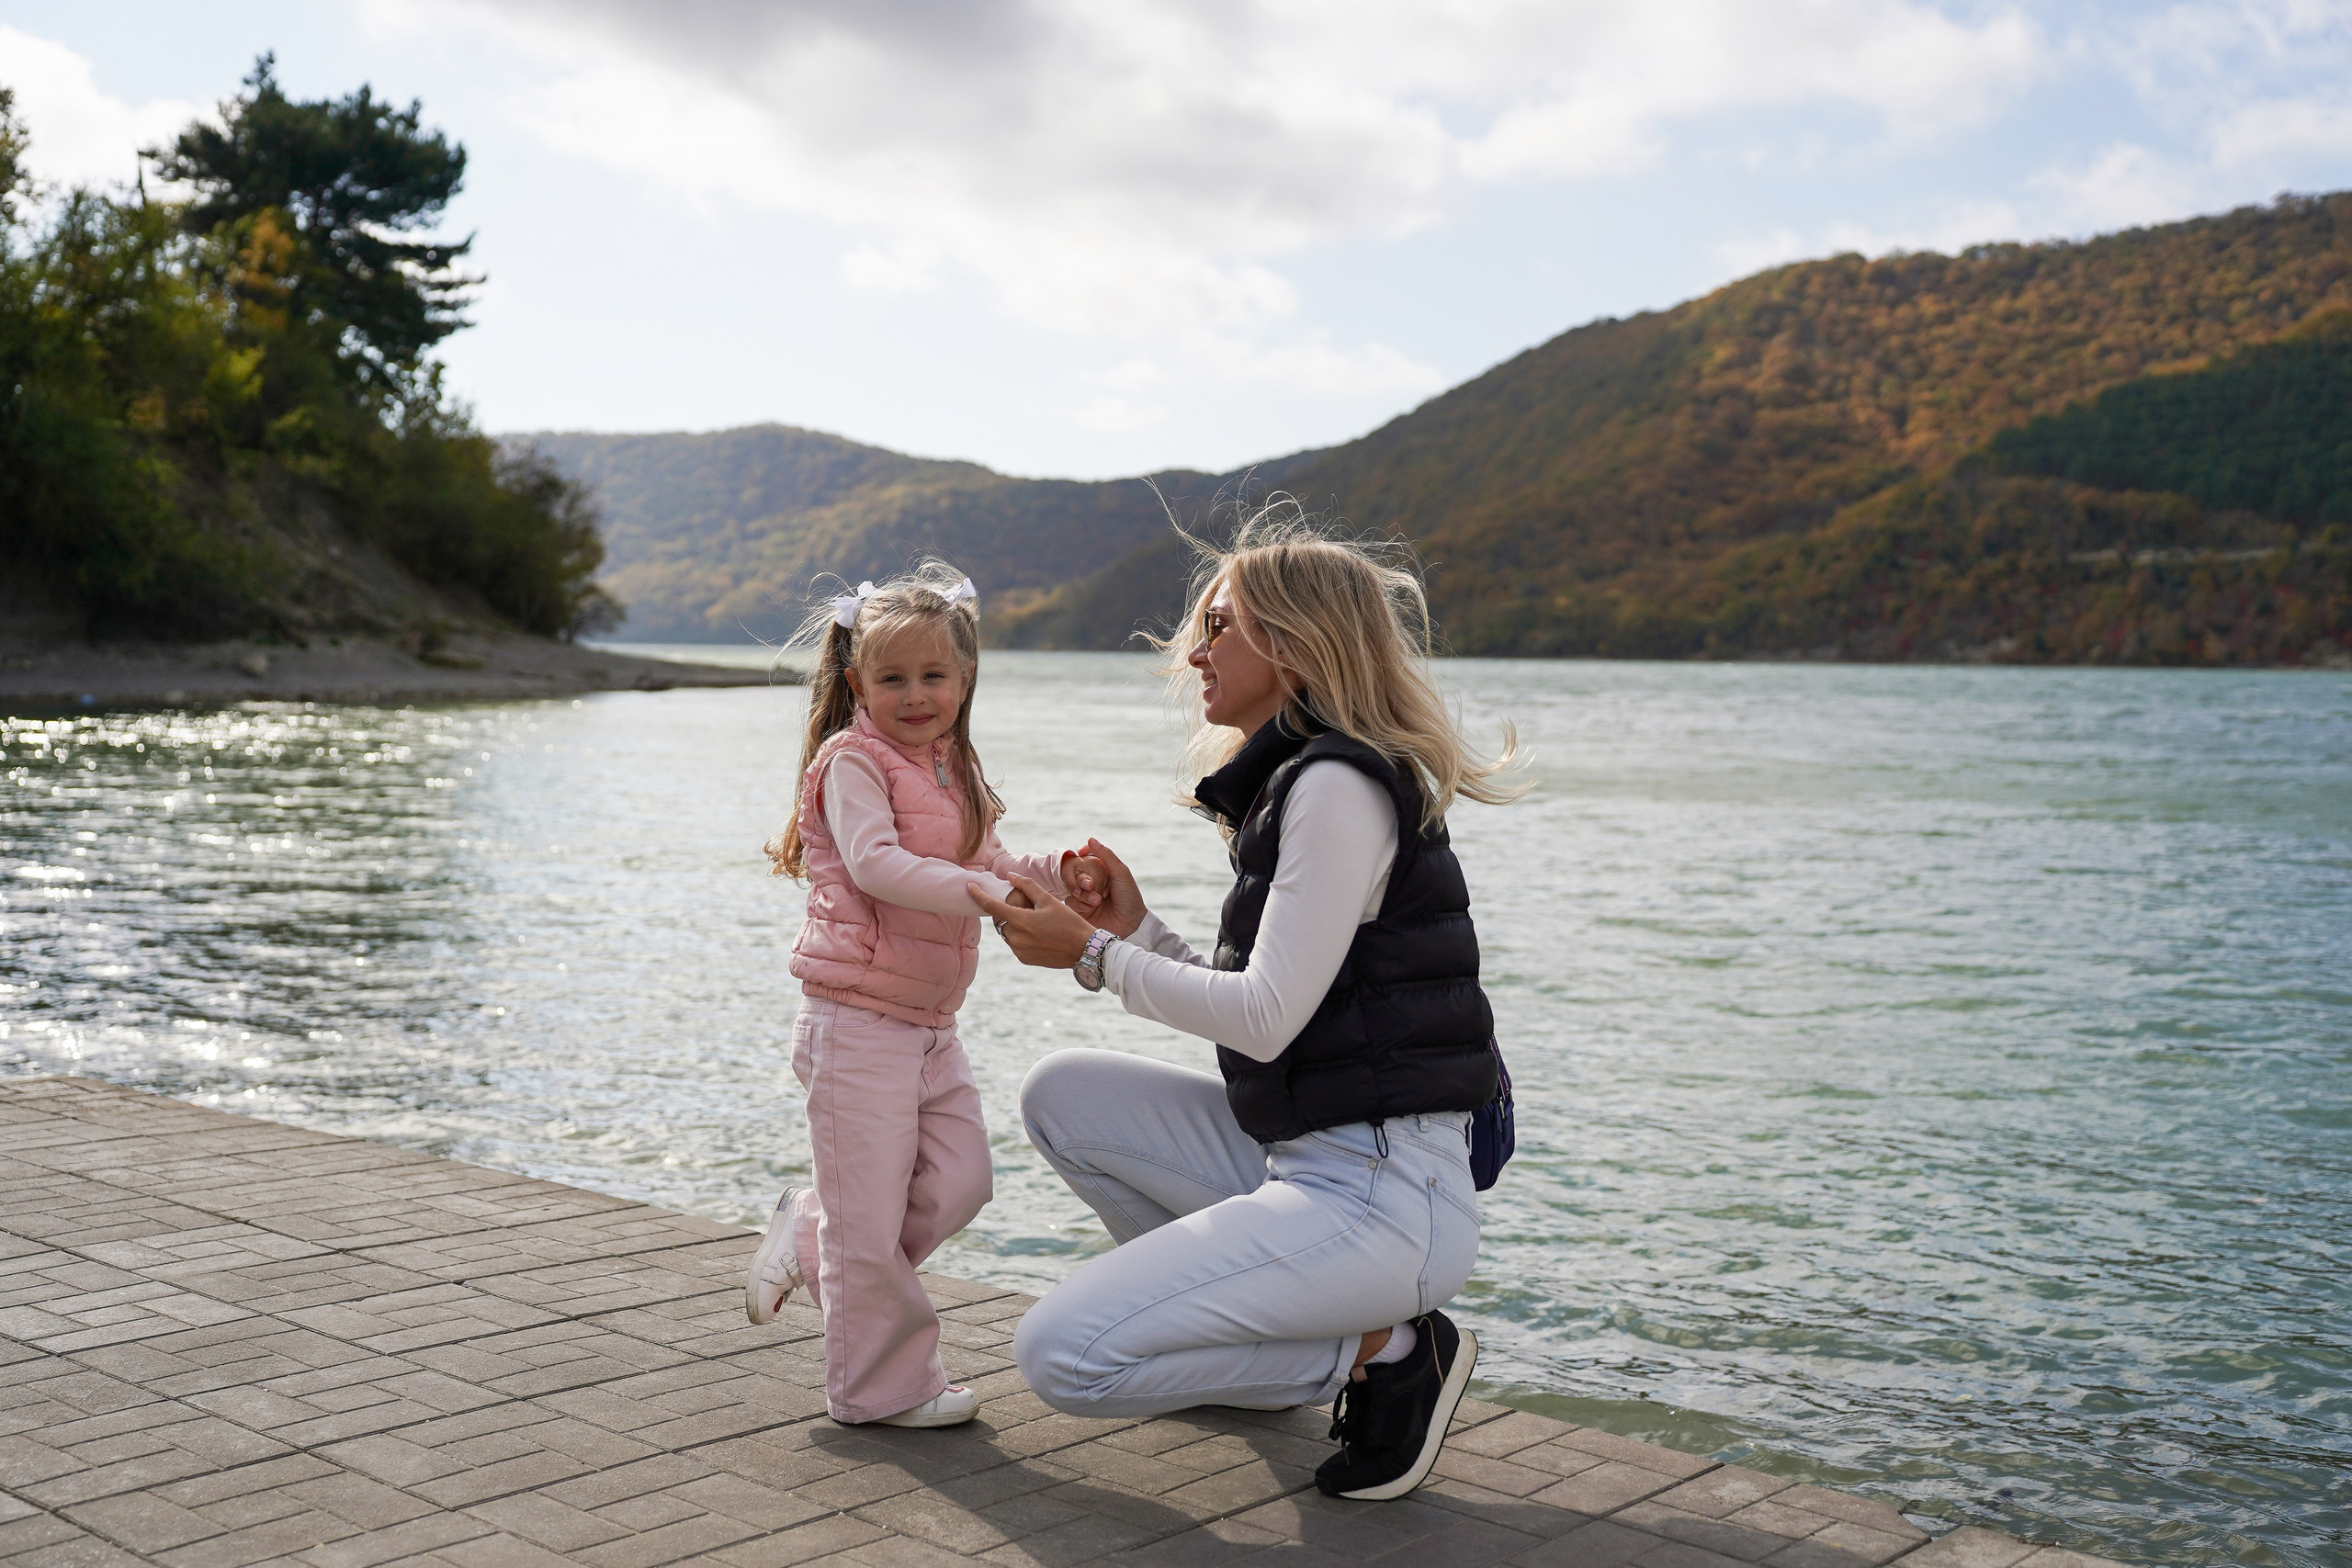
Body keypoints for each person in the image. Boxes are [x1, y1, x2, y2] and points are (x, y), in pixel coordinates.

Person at [972, 511, 1526, 1500]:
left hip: (1382, 1198)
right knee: (1061, 1094)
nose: (1195, 653)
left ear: (1298, 643)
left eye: (1220, 626)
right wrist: (1135, 933)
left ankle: (1383, 1355)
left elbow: (1264, 1017)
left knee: (1063, 1357)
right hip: (1312, 1160)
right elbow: (1279, 1008)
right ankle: (1290, 1347)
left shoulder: (1337, 786)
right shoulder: (1301, 783)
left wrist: (1093, 956)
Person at [746, 565, 1101, 1428]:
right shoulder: (851, 762)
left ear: (966, 678)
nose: (915, 695)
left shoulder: (953, 767)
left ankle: (810, 1231)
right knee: (867, 1229)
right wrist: (982, 896)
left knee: (961, 1182)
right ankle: (880, 1388)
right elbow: (877, 866)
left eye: (933, 676)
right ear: (857, 681)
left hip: (931, 1025)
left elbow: (991, 860)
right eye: (893, 678)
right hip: (855, 1019)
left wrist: (1057, 876)